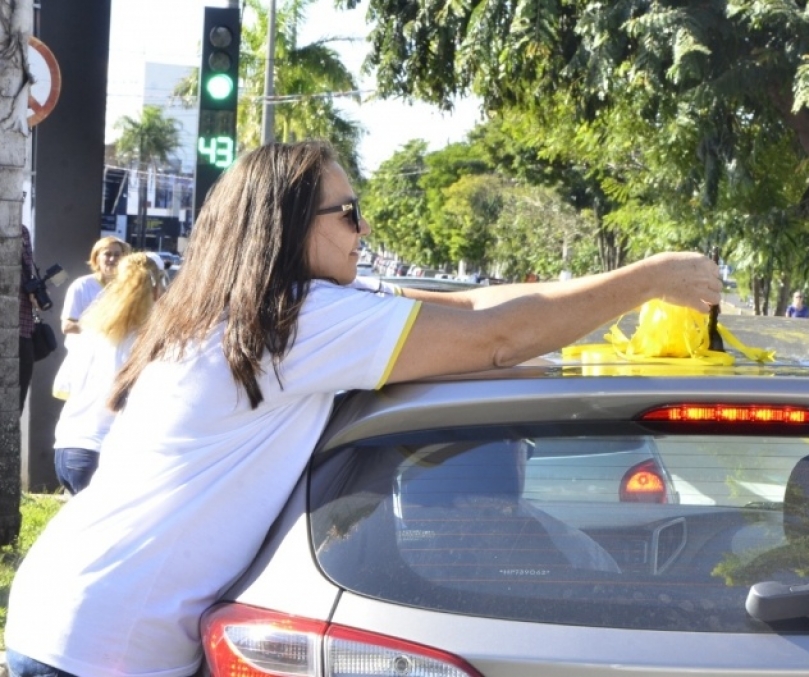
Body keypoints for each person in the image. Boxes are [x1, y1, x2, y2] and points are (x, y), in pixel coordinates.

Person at [4, 140, 721, 677]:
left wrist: (579, 344)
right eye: (347, 213)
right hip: (102, 645)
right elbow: (495, 335)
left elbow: (472, 308)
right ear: (288, 224)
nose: (363, 228)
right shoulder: (298, 321)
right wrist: (651, 278)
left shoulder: (242, 313)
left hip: (72, 612)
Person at [51, 253, 168, 495]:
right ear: (154, 289)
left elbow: (65, 384)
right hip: (101, 451)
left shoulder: (94, 328)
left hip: (67, 446)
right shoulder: (141, 339)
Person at [60, 235, 132, 335]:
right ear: (97, 258)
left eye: (117, 255)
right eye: (107, 254)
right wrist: (99, 328)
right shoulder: (81, 286)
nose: (112, 259)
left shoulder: (130, 287)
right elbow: (67, 326)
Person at [19, 225, 38, 412]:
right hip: (21, 332)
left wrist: (36, 291)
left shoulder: (22, 230)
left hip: (23, 329)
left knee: (15, 404)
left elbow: (27, 272)